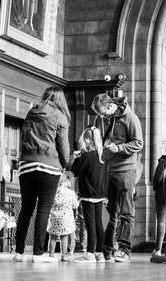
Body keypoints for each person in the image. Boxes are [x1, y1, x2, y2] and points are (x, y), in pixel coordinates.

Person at [12, 85, 71, 262]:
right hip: (49, 167)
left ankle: (19, 252)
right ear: (61, 100)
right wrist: (65, 163)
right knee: (44, 209)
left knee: (26, 209)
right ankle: (38, 253)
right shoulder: (60, 117)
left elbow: (23, 137)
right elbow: (63, 146)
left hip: (26, 166)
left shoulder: (31, 112)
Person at [90, 90, 143, 262]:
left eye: (104, 113)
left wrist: (119, 148)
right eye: (100, 115)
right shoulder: (105, 118)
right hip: (109, 170)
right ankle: (107, 250)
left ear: (111, 106)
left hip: (126, 170)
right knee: (111, 212)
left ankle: (125, 250)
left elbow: (138, 143)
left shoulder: (130, 117)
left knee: (126, 212)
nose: (103, 117)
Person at [70, 128, 109, 262]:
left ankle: (90, 253)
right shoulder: (103, 156)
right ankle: (100, 252)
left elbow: (74, 171)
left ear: (88, 140)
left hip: (87, 194)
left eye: (83, 140)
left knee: (89, 223)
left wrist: (75, 158)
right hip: (100, 194)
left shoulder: (86, 156)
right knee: (98, 223)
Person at [47, 172, 79, 260]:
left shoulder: (52, 192)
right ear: (65, 181)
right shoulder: (71, 193)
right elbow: (75, 205)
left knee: (52, 237)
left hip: (54, 218)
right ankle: (64, 256)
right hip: (65, 219)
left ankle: (51, 255)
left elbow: (48, 203)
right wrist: (78, 201)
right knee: (64, 236)